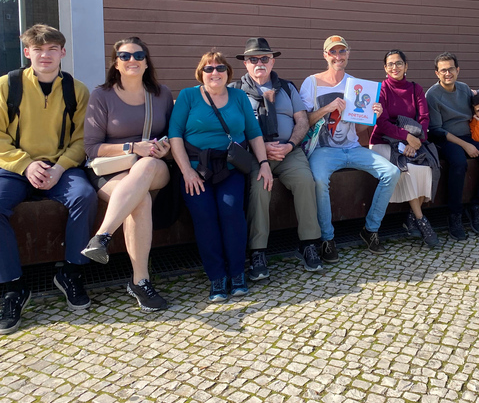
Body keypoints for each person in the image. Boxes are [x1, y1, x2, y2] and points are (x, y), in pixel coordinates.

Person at [0, 24, 98, 334]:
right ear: (27, 52)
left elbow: (84, 139)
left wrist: (60, 166)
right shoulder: (7, 85)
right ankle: (13, 287)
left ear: (62, 53)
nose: (45, 55)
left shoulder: (77, 90)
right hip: (16, 168)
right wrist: (26, 165)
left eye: (52, 49)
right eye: (38, 49)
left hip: (61, 168)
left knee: (85, 196)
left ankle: (71, 272)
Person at [169, 51, 273, 302]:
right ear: (200, 73)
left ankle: (237, 274)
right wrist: (187, 172)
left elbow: (253, 132)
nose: (214, 73)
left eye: (219, 68)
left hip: (230, 167)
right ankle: (217, 277)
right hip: (197, 169)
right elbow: (175, 135)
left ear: (228, 72)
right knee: (204, 216)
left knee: (231, 211)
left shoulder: (238, 96)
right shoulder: (188, 96)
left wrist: (264, 164)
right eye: (208, 69)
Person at [80, 37, 173, 312]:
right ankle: (140, 282)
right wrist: (132, 146)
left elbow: (173, 135)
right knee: (140, 201)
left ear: (146, 62)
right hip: (112, 171)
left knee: (143, 168)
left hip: (153, 167)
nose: (132, 60)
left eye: (138, 55)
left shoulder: (162, 94)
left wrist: (164, 148)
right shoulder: (101, 96)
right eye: (124, 56)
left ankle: (103, 236)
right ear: (115, 63)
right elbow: (91, 147)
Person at [300, 35, 399, 262]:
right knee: (319, 180)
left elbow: (361, 125)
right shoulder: (311, 82)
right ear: (325, 55)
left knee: (391, 172)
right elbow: (304, 121)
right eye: (333, 52)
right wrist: (328, 108)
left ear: (348, 54)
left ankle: (370, 229)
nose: (338, 56)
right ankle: (327, 238)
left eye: (341, 52)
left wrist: (375, 115)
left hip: (353, 148)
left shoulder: (357, 85)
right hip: (322, 151)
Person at [230, 37, 322, 279]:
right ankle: (258, 251)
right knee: (260, 186)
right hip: (254, 155)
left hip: (288, 152)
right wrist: (260, 150)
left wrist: (290, 145)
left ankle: (309, 243)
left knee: (305, 181)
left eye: (264, 58)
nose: (259, 63)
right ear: (246, 64)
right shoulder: (235, 90)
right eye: (253, 59)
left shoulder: (287, 87)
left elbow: (302, 121)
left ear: (272, 62)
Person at [426, 52, 479, 239]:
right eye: (443, 70)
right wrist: (465, 145)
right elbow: (435, 129)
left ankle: (477, 206)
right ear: (437, 73)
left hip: (470, 135)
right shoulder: (432, 95)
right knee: (459, 163)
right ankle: (454, 215)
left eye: (451, 69)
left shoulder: (464, 89)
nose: (447, 73)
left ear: (457, 70)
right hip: (447, 139)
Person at [369, 49, 439, 248]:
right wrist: (406, 137)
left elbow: (424, 118)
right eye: (390, 64)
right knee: (408, 171)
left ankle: (410, 218)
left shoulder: (415, 89)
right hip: (383, 142)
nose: (395, 67)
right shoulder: (381, 89)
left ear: (406, 66)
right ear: (385, 68)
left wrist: (413, 140)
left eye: (399, 63)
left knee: (426, 167)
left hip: (411, 142)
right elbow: (381, 123)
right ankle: (421, 219)